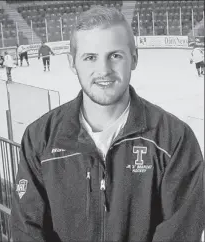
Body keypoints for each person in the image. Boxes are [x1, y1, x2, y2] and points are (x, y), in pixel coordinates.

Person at [10, 6, 205, 242]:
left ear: (133, 58)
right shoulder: (40, 137)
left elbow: (180, 233)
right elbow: (27, 229)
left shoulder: (173, 140)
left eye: (115, 56)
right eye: (90, 57)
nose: (104, 70)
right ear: (73, 63)